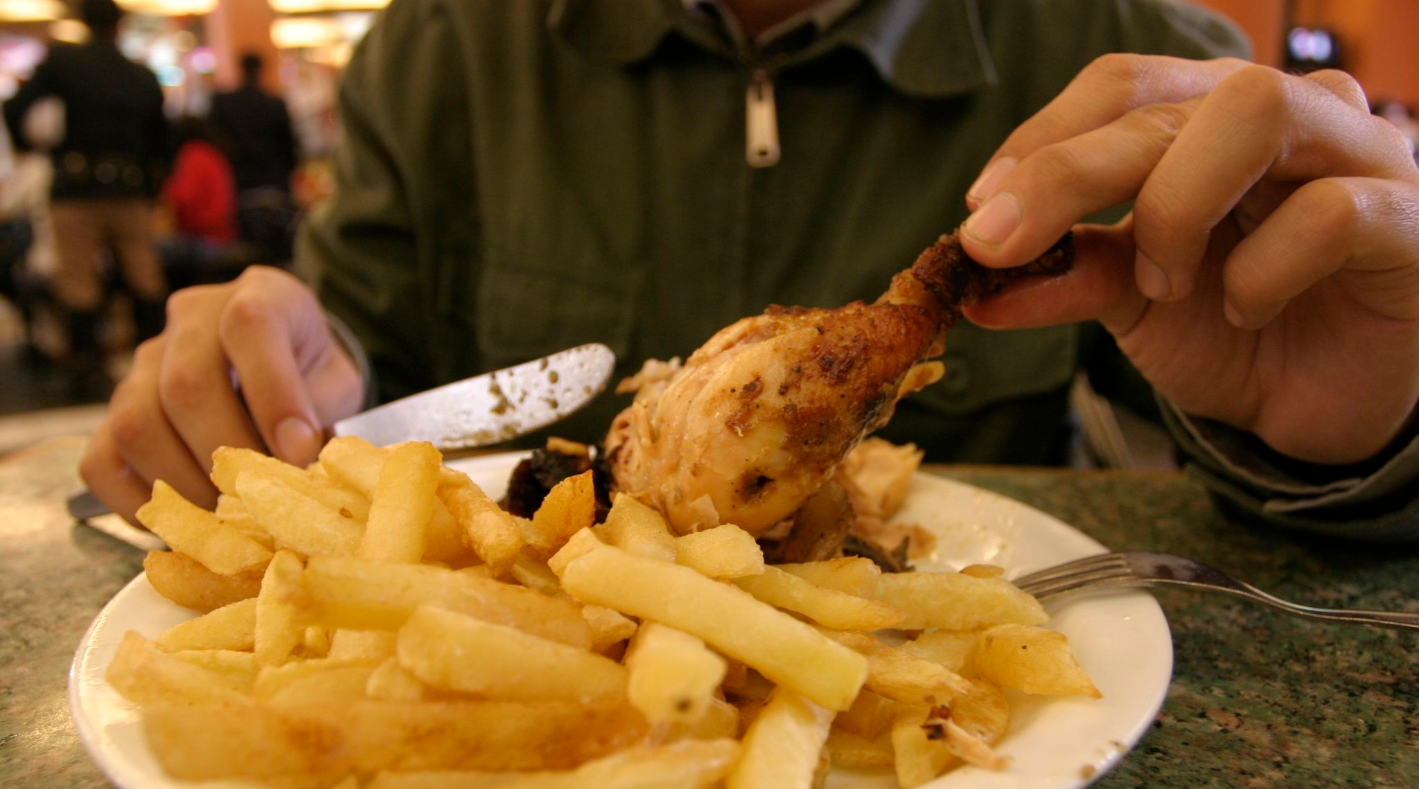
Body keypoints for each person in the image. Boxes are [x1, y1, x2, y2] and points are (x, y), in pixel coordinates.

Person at [80, 0, 1419, 540]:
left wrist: (1353, 450)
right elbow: (351, 376)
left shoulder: (1130, 42)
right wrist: (266, 383)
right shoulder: (443, 46)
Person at [2, 0, 169, 394]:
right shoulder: (140, 73)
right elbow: (163, 140)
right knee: (144, 277)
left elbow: (15, 107)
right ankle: (158, 367)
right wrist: (152, 186)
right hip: (130, 188)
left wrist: (31, 149)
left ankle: (85, 371)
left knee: (78, 281)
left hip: (77, 185)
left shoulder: (63, 63)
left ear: (80, 22)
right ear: (119, 25)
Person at [158, 116, 239, 291]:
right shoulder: (213, 153)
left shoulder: (193, 154)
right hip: (223, 236)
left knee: (148, 252)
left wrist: (162, 190)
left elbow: (183, 198)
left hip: (206, 239)